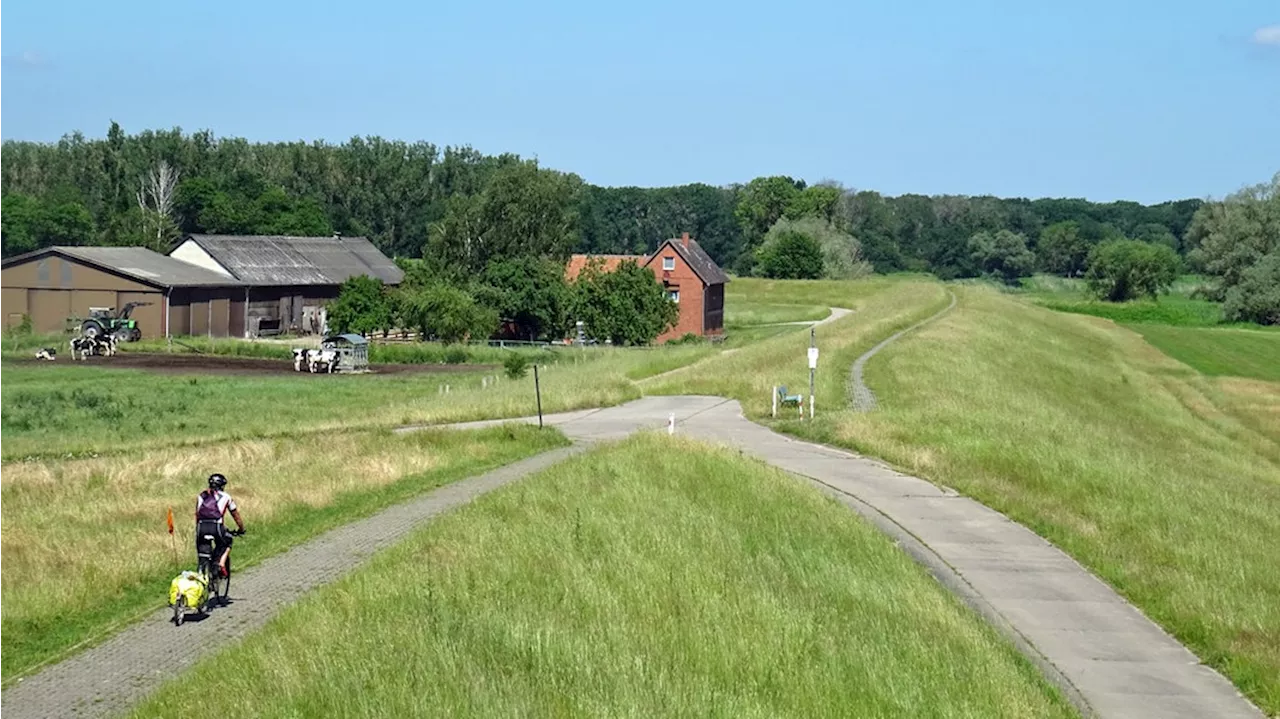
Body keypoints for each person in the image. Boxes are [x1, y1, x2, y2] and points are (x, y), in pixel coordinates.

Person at [194, 473, 245, 575]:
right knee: (227, 540)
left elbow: (197, 514)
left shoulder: (201, 496)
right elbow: (235, 515)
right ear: (222, 486)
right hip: (216, 527)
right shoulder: (226, 497)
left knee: (203, 553)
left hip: (201, 527)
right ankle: (221, 562)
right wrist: (241, 528)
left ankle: (201, 572)